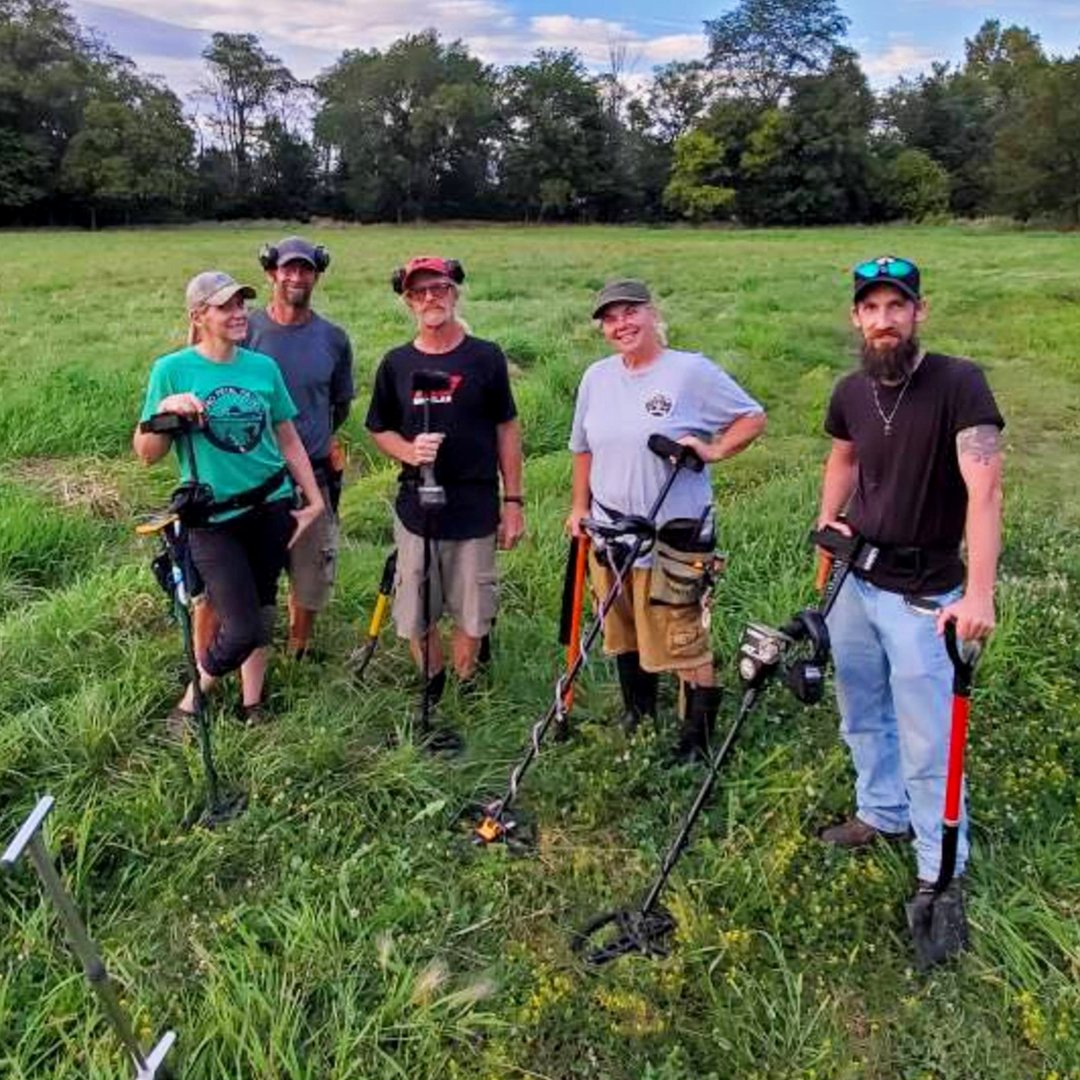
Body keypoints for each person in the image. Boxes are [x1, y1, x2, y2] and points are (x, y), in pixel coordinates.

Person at [817, 255, 1004, 918]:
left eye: (897, 306)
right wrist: (825, 528)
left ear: (919, 312)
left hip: (925, 595)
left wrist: (978, 594)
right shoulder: (851, 390)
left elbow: (984, 493)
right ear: (857, 318)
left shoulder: (960, 384)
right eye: (871, 308)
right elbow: (842, 457)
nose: (884, 320)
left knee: (928, 738)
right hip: (855, 582)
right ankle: (881, 811)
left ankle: (940, 869)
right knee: (861, 711)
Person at [566, 279, 766, 762]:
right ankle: (640, 714)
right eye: (610, 318)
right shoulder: (597, 377)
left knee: (682, 638)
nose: (622, 325)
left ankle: (694, 743)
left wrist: (715, 449)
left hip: (673, 539)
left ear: (653, 314)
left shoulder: (689, 372)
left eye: (630, 312)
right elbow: (582, 447)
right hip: (610, 534)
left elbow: (751, 417)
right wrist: (579, 507)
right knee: (622, 628)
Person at [133, 270, 325, 729]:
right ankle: (193, 695)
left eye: (241, 304)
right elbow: (146, 455)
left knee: (261, 604)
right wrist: (166, 413)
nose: (239, 314)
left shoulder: (262, 368)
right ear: (199, 316)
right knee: (241, 627)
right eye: (226, 307)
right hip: (213, 518)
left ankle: (252, 704)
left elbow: (288, 437)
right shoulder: (172, 370)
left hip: (272, 505)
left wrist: (313, 500)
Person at [365, 256, 524, 711]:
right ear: (408, 302)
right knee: (416, 607)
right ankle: (432, 685)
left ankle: (466, 682)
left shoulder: (486, 356)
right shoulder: (396, 364)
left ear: (454, 292)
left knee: (474, 608)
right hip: (418, 508)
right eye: (419, 292)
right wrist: (408, 452)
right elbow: (379, 428)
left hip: (474, 503)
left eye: (439, 288)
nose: (430, 298)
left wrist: (513, 501)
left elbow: (507, 429)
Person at [245, 235, 355, 658]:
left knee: (311, 571)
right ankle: (252, 644)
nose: (296, 276)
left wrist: (315, 437)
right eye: (288, 268)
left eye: (305, 269)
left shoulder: (334, 338)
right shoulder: (247, 329)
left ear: (317, 275)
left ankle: (298, 646)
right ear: (272, 272)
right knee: (255, 569)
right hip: (255, 474)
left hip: (313, 471)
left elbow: (339, 404)